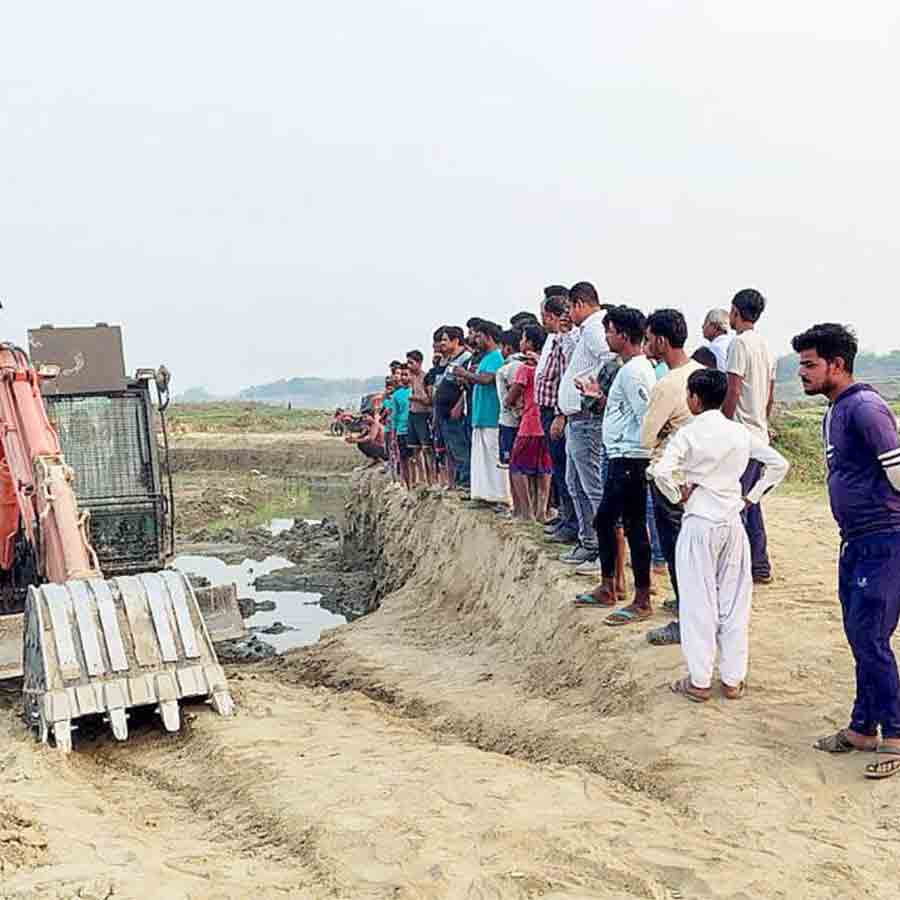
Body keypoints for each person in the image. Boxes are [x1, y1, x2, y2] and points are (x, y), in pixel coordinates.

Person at [795, 325, 900, 779]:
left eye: (809, 364)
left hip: (884, 541)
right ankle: (862, 727)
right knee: (860, 635)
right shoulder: (835, 410)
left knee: (870, 636)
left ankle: (895, 734)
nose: (802, 373)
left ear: (837, 364)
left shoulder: (866, 408)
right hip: (855, 541)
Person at [652, 368, 789, 703]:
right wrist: (751, 497)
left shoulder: (687, 434)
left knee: (699, 602)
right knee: (734, 602)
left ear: (695, 399)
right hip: (732, 521)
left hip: (699, 520)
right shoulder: (739, 433)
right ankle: (732, 679)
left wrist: (677, 494)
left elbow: (660, 470)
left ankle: (699, 681)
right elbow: (778, 465)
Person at [574, 306, 656, 626]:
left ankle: (641, 596)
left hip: (630, 458)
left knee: (629, 525)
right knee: (610, 520)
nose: (606, 337)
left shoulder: (635, 371)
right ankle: (612, 586)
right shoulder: (628, 369)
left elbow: (646, 417)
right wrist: (598, 398)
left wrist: (640, 452)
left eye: (609, 331)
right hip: (622, 455)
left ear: (622, 335)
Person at [640, 309, 703, 646]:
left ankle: (685, 620)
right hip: (699, 476)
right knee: (695, 551)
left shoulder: (666, 384)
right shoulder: (704, 374)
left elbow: (646, 438)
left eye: (649, 339)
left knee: (678, 549)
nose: (646, 345)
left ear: (662, 341)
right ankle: (692, 607)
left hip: (669, 477)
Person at [554, 282, 613, 567]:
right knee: (575, 482)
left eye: (569, 308)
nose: (567, 315)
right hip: (577, 419)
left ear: (579, 304)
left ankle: (601, 549)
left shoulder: (594, 327)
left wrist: (596, 390)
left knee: (591, 486)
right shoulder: (587, 330)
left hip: (587, 418)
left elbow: (610, 359)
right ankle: (588, 542)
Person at [723, 289, 777, 584]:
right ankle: (759, 565)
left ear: (735, 311)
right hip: (758, 432)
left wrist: (722, 425)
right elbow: (770, 394)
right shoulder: (766, 347)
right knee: (750, 501)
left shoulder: (739, 344)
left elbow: (732, 389)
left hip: (741, 435)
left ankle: (738, 569)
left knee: (735, 505)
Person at [536, 290, 579, 545]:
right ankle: (565, 517)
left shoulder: (565, 341)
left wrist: (560, 415)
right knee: (559, 468)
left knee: (564, 470)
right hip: (548, 410)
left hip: (555, 411)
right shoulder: (554, 339)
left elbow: (565, 378)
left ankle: (571, 524)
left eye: (544, 315)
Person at [453, 321, 510, 508]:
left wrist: (465, 373)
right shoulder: (485, 358)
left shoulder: (495, 357)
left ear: (488, 336)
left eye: (478, 336)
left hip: (491, 415)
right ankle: (484, 496)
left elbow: (486, 379)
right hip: (480, 415)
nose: (475, 340)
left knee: (494, 459)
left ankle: (500, 497)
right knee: (481, 459)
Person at [505, 326, 553, 520]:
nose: (521, 343)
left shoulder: (525, 368)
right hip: (546, 424)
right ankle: (541, 511)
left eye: (524, 339)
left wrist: (510, 400)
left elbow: (511, 397)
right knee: (544, 468)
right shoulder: (547, 363)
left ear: (531, 343)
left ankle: (525, 512)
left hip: (529, 424)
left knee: (517, 467)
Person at [433, 326, 472, 491]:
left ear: (456, 341)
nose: (441, 344)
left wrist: (459, 405)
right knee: (450, 449)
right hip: (443, 412)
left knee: (460, 448)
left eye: (444, 340)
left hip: (454, 412)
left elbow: (466, 387)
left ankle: (465, 484)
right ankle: (455, 483)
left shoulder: (465, 359)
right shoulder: (449, 360)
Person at [495, 330, 525, 472]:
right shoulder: (520, 363)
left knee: (512, 464)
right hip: (515, 419)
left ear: (507, 348)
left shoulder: (513, 365)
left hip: (510, 420)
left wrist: (508, 403)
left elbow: (516, 388)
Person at [406, 349, 435, 486]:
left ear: (419, 363)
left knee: (426, 448)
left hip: (423, 415)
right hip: (413, 415)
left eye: (411, 363)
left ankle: (431, 480)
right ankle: (421, 479)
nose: (409, 366)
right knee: (414, 449)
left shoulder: (425, 377)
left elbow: (429, 400)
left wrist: (415, 398)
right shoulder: (411, 379)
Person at [392, 365, 413, 488]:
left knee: (415, 458)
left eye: (407, 374)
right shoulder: (397, 395)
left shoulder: (416, 389)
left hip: (413, 428)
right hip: (401, 430)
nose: (404, 377)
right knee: (404, 459)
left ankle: (417, 482)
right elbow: (394, 416)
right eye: (403, 375)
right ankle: (407, 484)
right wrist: (394, 436)